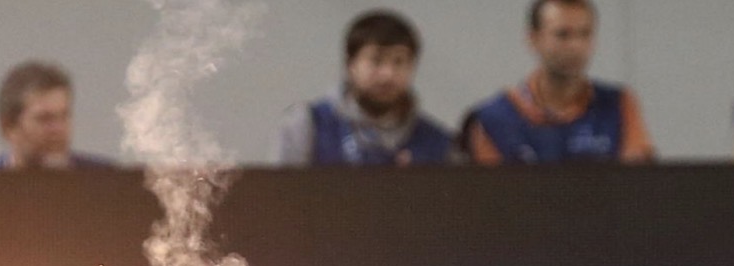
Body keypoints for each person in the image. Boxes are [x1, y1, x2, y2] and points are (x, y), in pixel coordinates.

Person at [463, 0, 655, 165]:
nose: (575, 46)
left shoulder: (619, 105)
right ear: (533, 39)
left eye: (585, 34)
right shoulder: (492, 120)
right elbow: (489, 193)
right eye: (563, 35)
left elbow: (638, 184)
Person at [272, 10, 453, 166]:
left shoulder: (439, 141)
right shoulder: (309, 124)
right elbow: (281, 192)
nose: (387, 74)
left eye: (399, 62)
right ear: (351, 64)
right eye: (376, 60)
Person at [0, 61, 113, 170]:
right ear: (8, 127)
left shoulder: (105, 181)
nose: (58, 129)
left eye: (64, 116)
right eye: (44, 119)